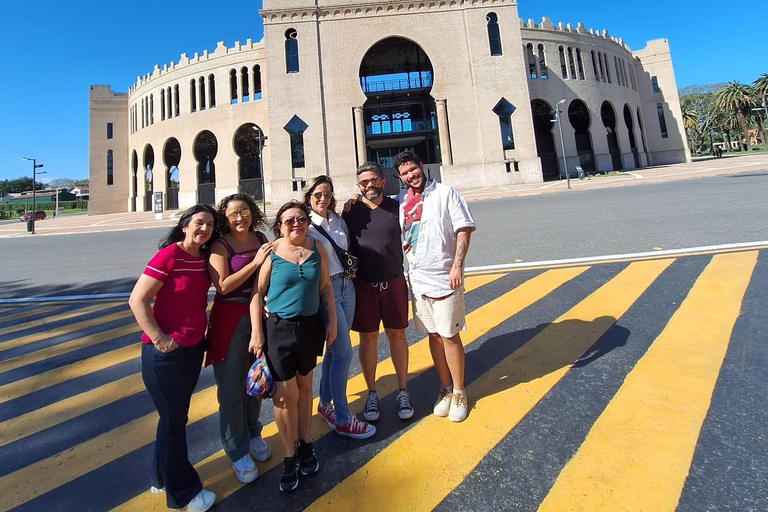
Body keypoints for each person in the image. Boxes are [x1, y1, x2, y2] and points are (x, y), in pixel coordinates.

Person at [128, 204, 219, 512]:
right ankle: (184, 493)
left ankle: (160, 476)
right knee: (173, 421)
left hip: (193, 348)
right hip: (164, 356)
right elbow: (137, 300)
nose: (204, 229)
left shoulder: (202, 258)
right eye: (199, 223)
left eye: (209, 224)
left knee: (172, 418)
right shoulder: (169, 256)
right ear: (184, 226)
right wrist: (159, 339)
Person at [249, 200, 337, 492]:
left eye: (301, 218)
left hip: (310, 327)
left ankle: (306, 445)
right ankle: (289, 455)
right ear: (280, 226)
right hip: (279, 330)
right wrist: (257, 333)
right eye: (289, 221)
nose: (296, 224)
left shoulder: (316, 248)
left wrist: (332, 321)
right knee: (284, 397)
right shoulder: (271, 252)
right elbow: (256, 294)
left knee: (304, 387)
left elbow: (325, 286)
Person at [394, 151, 476, 423]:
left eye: (413, 169)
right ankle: (444, 388)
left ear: (421, 166)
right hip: (418, 281)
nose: (410, 175)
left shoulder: (445, 193)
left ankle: (460, 391)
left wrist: (457, 265)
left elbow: (463, 229)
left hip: (445, 277)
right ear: (400, 177)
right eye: (404, 173)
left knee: (450, 336)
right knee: (433, 335)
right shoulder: (402, 202)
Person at [207, 194, 273, 485]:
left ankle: (253, 432)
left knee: (255, 381)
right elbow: (222, 286)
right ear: (225, 217)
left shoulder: (260, 236)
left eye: (244, 211)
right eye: (233, 214)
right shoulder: (220, 245)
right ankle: (236, 450)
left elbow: (267, 276)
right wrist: (255, 262)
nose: (240, 218)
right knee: (232, 389)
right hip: (230, 319)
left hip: (258, 313)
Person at [303, 176, 376, 439]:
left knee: (335, 351)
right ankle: (343, 418)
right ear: (308, 195)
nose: (323, 198)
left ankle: (325, 404)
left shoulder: (337, 220)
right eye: (318, 194)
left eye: (328, 194)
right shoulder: (306, 224)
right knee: (344, 354)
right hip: (327, 291)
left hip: (348, 287)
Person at [342, 162, 413, 422]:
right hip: (363, 285)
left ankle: (403, 389)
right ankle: (371, 392)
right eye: (363, 182)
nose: (369, 186)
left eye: (373, 180)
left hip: (393, 282)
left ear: (383, 181)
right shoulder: (350, 210)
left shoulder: (398, 207)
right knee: (368, 339)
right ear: (358, 186)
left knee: (397, 336)